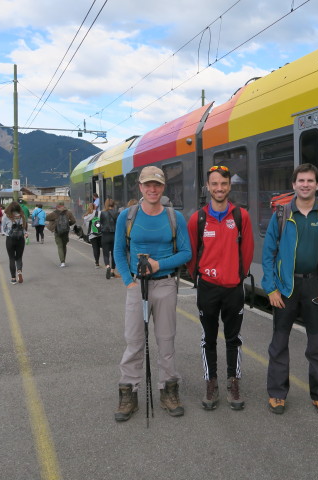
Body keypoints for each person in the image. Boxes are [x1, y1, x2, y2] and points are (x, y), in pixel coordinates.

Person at [262, 163, 318, 416]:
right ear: (294, 184)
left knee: (316, 344)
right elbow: (268, 253)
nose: (305, 184)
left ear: (317, 185)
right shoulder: (281, 214)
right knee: (279, 342)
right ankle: (277, 394)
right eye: (301, 180)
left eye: (310, 181)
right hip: (286, 287)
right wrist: (271, 288)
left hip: (314, 285)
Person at [113, 165, 191, 422]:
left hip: (165, 285)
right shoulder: (127, 216)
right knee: (134, 341)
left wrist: (160, 265)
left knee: (166, 341)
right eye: (148, 185)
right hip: (138, 287)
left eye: (157, 184)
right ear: (140, 187)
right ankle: (129, 393)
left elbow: (185, 252)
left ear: (163, 187)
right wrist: (128, 282)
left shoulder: (174, 217)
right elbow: (118, 252)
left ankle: (169, 389)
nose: (152, 189)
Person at [186, 165, 254, 410]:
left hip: (233, 288)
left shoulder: (240, 216)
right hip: (208, 289)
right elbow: (191, 254)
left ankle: (233, 382)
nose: (219, 188)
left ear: (229, 186)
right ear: (208, 187)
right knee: (209, 338)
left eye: (223, 184)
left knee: (233, 338)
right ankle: (211, 382)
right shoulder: (198, 218)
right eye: (214, 184)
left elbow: (247, 252)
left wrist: (237, 276)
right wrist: (201, 276)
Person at [2, 201, 29, 284]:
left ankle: (13, 278)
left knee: (11, 258)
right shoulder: (22, 216)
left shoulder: (6, 216)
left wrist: (7, 233)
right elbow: (24, 228)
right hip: (20, 239)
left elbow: (3, 229)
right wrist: (25, 233)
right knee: (19, 257)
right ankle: (19, 271)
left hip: (10, 239)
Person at [46, 201, 76, 267]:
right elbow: (73, 221)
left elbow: (46, 218)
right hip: (65, 231)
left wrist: (54, 221)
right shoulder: (68, 212)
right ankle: (64, 260)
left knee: (60, 246)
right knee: (64, 246)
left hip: (57, 231)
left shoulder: (54, 213)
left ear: (57, 206)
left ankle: (62, 262)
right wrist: (68, 224)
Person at [100, 198, 118, 279]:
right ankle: (112, 271)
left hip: (105, 235)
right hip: (114, 235)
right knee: (114, 254)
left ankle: (107, 267)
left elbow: (100, 223)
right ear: (113, 204)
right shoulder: (117, 213)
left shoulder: (103, 213)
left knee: (106, 253)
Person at [83, 203, 102, 268]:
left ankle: (97, 263)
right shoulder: (99, 213)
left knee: (95, 248)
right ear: (95, 207)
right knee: (100, 248)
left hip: (92, 234)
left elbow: (86, 226)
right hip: (100, 233)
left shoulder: (86, 216)